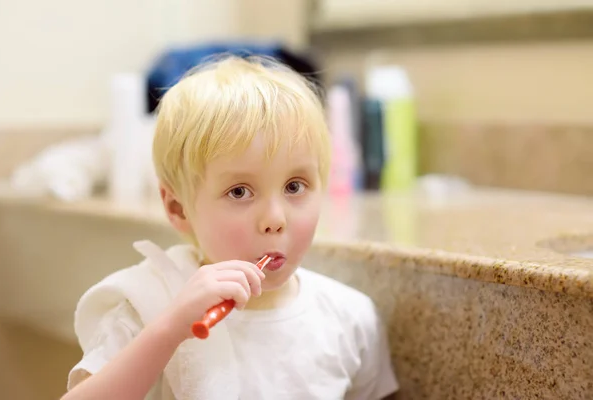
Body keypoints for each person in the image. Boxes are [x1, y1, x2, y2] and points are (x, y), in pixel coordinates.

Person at [62, 55, 399, 400]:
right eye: (239, 192)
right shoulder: (152, 305)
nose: (275, 219)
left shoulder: (351, 319)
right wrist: (169, 329)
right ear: (178, 208)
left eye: (295, 186)